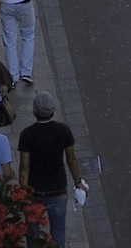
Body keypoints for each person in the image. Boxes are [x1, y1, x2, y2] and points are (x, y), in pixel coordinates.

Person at [19, 91, 83, 247]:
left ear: (34, 112)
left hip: (34, 192)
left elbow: (25, 166)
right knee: (58, 236)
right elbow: (71, 159)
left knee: (33, 237)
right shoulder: (64, 131)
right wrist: (78, 181)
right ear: (52, 110)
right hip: (58, 190)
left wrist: (23, 191)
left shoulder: (27, 134)